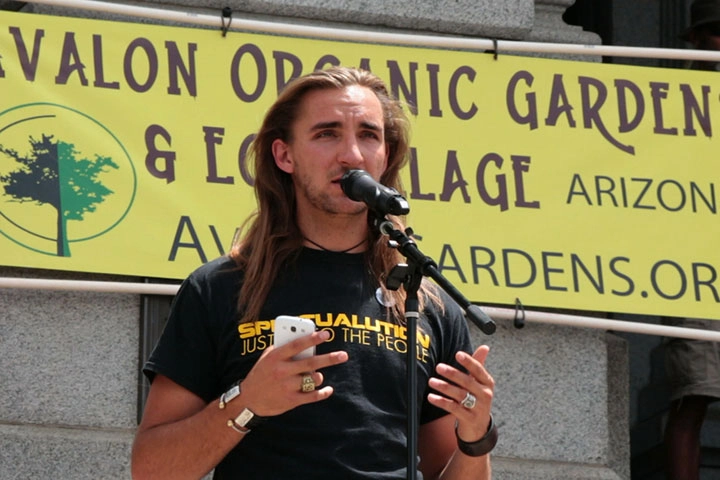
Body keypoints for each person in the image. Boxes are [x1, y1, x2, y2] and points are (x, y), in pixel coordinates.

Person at [131, 66, 496, 480]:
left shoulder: (424, 302)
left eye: (368, 135)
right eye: (327, 134)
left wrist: (475, 438)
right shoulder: (221, 287)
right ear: (284, 155)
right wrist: (247, 402)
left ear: (386, 157)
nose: (352, 155)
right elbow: (152, 469)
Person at [663, 6, 720, 479]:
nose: (717, 46)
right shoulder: (666, 106)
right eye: (709, 36)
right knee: (694, 392)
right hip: (692, 268)